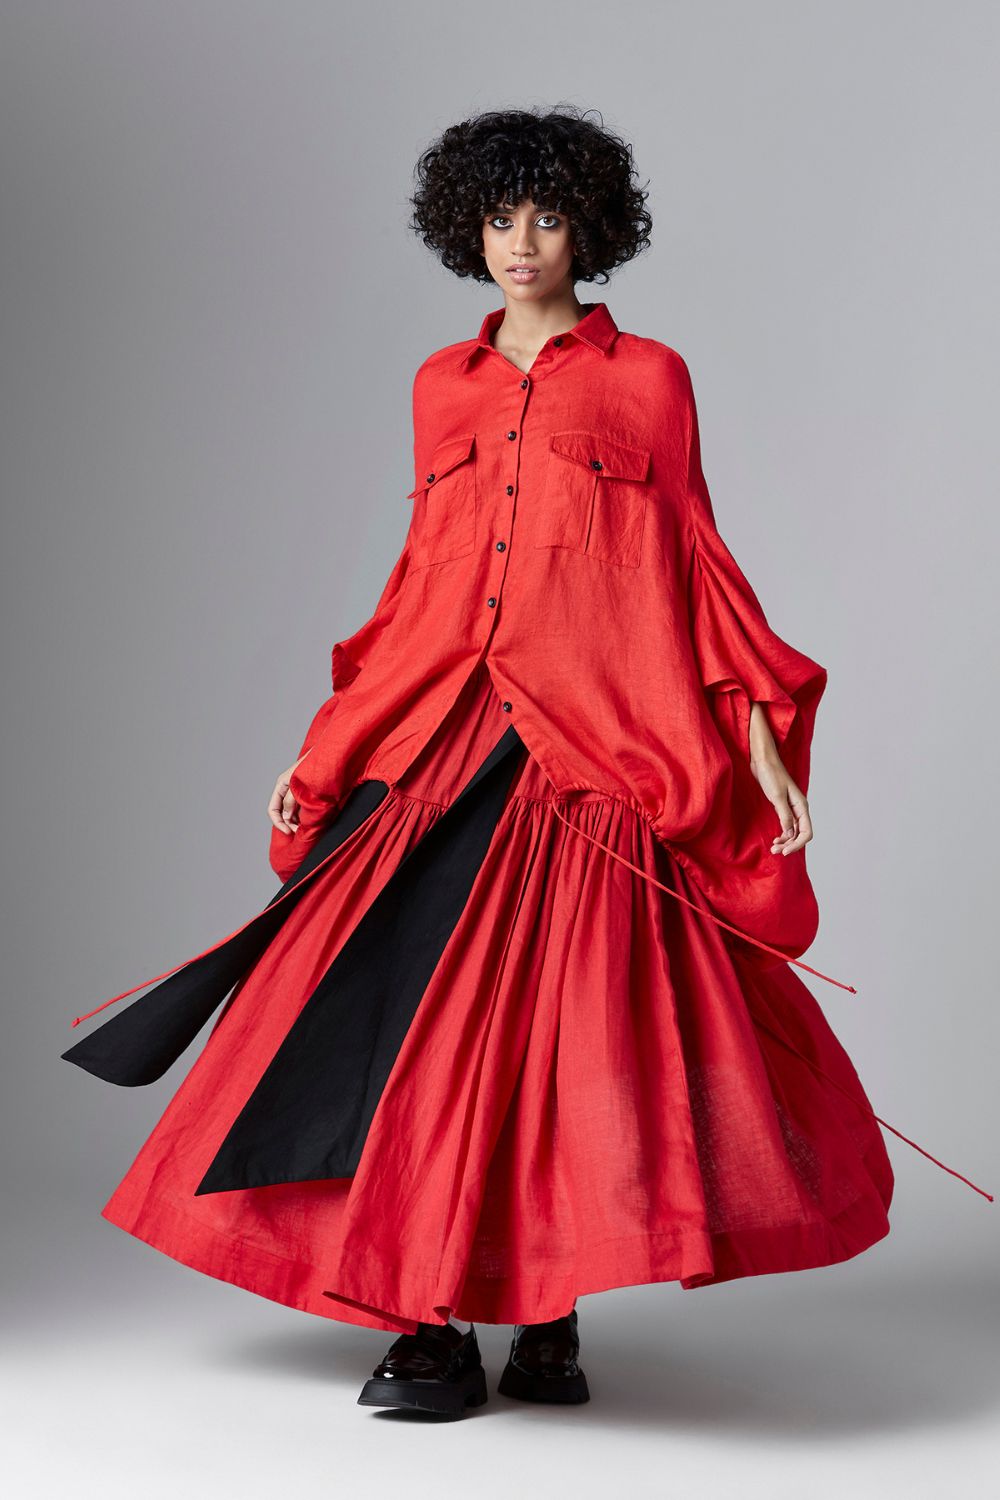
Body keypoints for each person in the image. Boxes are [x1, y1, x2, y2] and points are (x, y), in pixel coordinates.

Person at [61, 105, 990, 1422]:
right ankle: (427, 1323)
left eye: (548, 217)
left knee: (569, 1043)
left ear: (589, 229)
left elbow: (695, 567)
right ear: (468, 229)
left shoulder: (649, 380)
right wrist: (333, 741)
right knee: (408, 1028)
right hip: (450, 740)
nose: (522, 243)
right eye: (500, 219)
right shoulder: (440, 386)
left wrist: (758, 741)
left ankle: (546, 1315)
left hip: (596, 748)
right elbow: (418, 580)